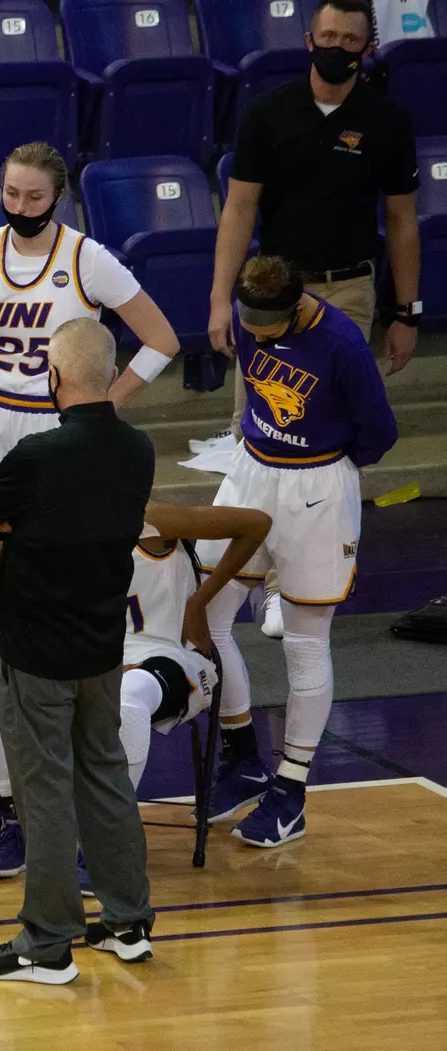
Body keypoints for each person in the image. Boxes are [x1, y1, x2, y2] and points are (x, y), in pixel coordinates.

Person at [207, 0, 418, 636]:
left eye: (350, 39)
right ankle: (248, 567)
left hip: (348, 290)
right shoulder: (269, 112)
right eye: (328, 36)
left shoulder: (386, 121)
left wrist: (405, 310)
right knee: (258, 426)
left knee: (327, 437)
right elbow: (239, 208)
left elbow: (403, 220)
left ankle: (293, 581)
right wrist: (222, 298)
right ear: (309, 39)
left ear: (365, 47)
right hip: (270, 292)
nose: (337, 46)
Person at [0, 318, 155, 986]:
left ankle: (47, 942)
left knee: (44, 790)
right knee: (105, 773)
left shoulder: (38, 456)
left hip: (37, 649)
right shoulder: (139, 451)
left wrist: (32, 527)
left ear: (55, 376)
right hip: (103, 643)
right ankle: (128, 920)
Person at [198, 257, 397, 848]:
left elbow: (380, 434)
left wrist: (331, 469)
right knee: (203, 615)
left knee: (306, 644)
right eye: (248, 326)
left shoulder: (341, 344)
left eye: (267, 327)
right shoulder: (249, 312)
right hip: (250, 473)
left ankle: (290, 790)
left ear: (297, 305)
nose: (254, 336)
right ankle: (241, 759)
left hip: (317, 485)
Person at [0, 500, 270, 882]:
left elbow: (256, 524)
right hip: (91, 657)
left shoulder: (152, 518)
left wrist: (200, 600)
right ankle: (25, 823)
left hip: (167, 658)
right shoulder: (57, 524)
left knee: (127, 695)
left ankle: (106, 845)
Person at [0, 142, 180, 501]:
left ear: (59, 197)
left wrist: (107, 402)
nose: (19, 207)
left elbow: (162, 340)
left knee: (53, 539)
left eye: (34, 197)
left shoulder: (87, 258)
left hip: (58, 420)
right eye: (11, 193)